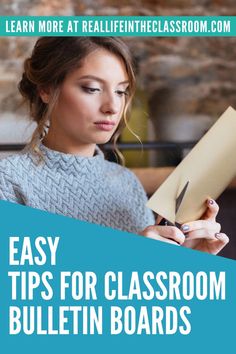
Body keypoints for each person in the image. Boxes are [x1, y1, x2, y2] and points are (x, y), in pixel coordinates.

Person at [0, 37, 229, 255]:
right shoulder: (11, 180)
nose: (112, 106)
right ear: (46, 90)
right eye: (92, 88)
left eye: (121, 91)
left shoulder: (127, 183)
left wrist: (186, 260)